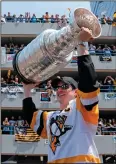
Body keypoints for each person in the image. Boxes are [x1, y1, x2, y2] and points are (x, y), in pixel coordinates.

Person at [22, 27, 100, 163]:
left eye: (64, 86)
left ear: (76, 92)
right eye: (56, 87)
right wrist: (27, 90)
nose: (59, 90)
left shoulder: (81, 108)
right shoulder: (50, 117)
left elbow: (88, 84)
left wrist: (81, 44)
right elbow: (31, 116)